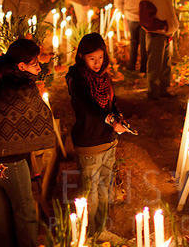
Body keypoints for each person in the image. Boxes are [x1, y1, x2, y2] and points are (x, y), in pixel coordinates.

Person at [0, 39, 55, 247]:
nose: (39, 66)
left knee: (0, 212)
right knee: (25, 210)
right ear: (21, 66)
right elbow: (40, 115)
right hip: (12, 162)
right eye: (34, 63)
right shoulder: (23, 87)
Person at [66, 33, 128, 242]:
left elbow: (111, 102)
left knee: (104, 188)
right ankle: (88, 233)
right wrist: (112, 120)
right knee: (90, 191)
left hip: (108, 140)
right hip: (90, 141)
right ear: (82, 56)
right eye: (92, 58)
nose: (97, 63)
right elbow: (89, 108)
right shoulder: (77, 79)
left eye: (100, 58)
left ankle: (100, 229)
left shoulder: (103, 77)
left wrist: (118, 117)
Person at [139, 0, 179, 99]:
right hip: (156, 34)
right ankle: (153, 91)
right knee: (155, 64)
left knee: (165, 64)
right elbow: (146, 20)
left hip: (164, 34)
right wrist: (163, 26)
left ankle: (163, 89)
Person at [114, 0, 148, 72]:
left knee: (133, 41)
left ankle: (131, 65)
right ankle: (144, 67)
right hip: (144, 17)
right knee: (143, 43)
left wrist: (124, 11)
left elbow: (118, 2)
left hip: (130, 17)